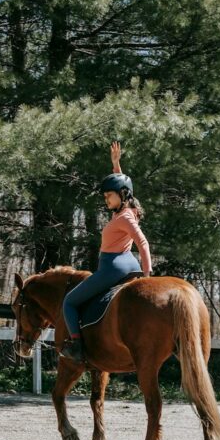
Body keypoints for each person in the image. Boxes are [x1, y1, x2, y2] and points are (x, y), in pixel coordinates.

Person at [60, 141, 152, 361]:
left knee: (69, 303)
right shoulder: (127, 209)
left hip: (113, 268)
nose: (106, 199)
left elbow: (143, 243)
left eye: (109, 195)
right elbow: (124, 186)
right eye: (105, 196)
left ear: (122, 195)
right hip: (128, 263)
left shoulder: (125, 217)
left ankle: (77, 346)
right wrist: (116, 165)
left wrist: (148, 276)